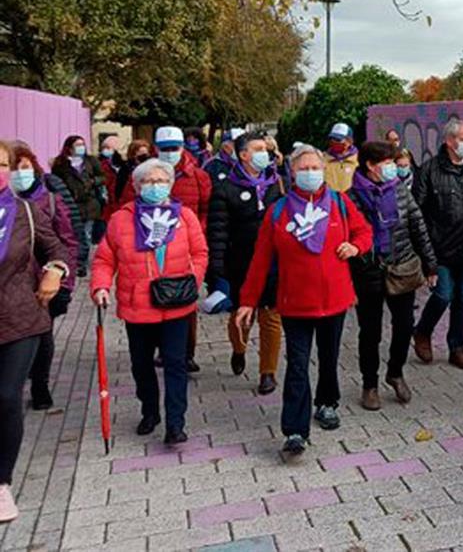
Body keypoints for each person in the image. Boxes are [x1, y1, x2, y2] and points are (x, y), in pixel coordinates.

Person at [236, 144, 373, 458]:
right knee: (297, 365)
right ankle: (295, 430)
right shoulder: (279, 210)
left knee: (328, 356)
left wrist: (355, 248)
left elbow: (365, 233)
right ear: (292, 172)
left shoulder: (339, 203)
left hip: (335, 300)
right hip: (295, 302)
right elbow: (260, 260)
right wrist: (247, 301)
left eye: (315, 167)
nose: (310, 173)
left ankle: (326, 403)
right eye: (304, 168)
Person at [91, 158, 208, 446]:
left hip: (176, 303)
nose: (155, 186)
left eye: (161, 181)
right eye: (148, 181)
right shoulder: (121, 219)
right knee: (141, 365)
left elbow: (200, 252)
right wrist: (100, 287)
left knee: (175, 364)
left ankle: (175, 423)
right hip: (138, 306)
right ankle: (150, 411)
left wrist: (192, 278)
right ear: (136, 185)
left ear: (170, 184)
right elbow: (105, 259)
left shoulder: (184, 217)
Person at [0, 140, 70, 525]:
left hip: (19, 318)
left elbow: (57, 246)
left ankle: (2, 483)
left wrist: (55, 270)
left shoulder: (24, 212)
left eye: (2, 164)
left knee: (7, 395)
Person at [347, 141, 437, 410]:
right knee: (370, 332)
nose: (392, 168)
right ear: (370, 166)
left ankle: (395, 372)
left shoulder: (399, 190)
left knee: (405, 325)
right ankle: (370, 384)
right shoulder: (350, 198)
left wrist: (430, 264)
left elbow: (417, 225)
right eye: (387, 164)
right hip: (369, 273)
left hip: (403, 267)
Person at [123, 127, 212, 372]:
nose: (170, 153)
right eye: (165, 149)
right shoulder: (142, 177)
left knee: (185, 304)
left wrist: (195, 234)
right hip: (147, 251)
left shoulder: (198, 176)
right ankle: (160, 349)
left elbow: (206, 209)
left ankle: (186, 353)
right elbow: (126, 209)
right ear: (156, 149)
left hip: (184, 247)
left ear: (183, 147)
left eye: (175, 148)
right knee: (152, 301)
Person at [207, 131, 285, 395]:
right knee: (242, 314)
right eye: (259, 148)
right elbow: (218, 231)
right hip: (240, 262)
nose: (266, 153)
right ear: (243, 155)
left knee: (271, 316)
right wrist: (217, 265)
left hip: (273, 262)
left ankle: (268, 372)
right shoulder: (225, 188)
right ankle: (239, 349)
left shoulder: (277, 183)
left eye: (267, 148)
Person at [412, 119, 463, 370]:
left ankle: (457, 346)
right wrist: (426, 255)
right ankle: (422, 331)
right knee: (443, 295)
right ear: (449, 141)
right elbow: (417, 213)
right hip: (440, 249)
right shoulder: (429, 170)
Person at [11, 144, 80, 411]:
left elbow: (67, 241)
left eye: (24, 167)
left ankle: (40, 386)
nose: (18, 173)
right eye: (13, 167)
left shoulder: (49, 199)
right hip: (10, 285)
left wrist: (65, 279)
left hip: (44, 283)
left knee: (42, 332)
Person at [51, 135, 105, 247]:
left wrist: (93, 181)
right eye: (78, 145)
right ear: (69, 148)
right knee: (74, 234)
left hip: (90, 204)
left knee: (87, 234)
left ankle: (86, 261)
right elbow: (55, 181)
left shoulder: (91, 161)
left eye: (82, 144)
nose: (81, 147)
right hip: (72, 204)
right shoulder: (61, 164)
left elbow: (102, 177)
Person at [97, 135, 125, 241]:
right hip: (105, 201)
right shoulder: (100, 164)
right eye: (105, 147)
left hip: (116, 200)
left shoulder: (121, 165)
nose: (106, 150)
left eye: (109, 148)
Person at [324, 123, 359, 193]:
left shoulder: (359, 159)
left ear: (349, 141)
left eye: (338, 139)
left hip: (353, 201)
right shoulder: (322, 158)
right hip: (330, 200)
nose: (333, 141)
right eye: (332, 138)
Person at [115, 140, 152, 205]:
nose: (144, 155)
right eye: (140, 152)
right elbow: (119, 188)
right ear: (133, 154)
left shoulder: (151, 166)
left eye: (146, 153)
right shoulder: (125, 168)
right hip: (130, 201)